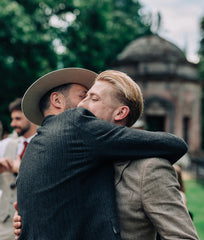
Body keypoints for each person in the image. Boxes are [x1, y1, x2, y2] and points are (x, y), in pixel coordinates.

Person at [15, 68, 187, 240]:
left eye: (93, 98)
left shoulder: (149, 169)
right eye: (84, 96)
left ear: (120, 112)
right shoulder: (71, 158)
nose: (81, 106)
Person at [0, 98, 37, 240]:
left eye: (17, 119)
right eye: (12, 119)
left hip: (31, 222)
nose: (12, 124)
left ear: (31, 117)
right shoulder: (5, 145)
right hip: (3, 223)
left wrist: (20, 168)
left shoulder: (44, 144)